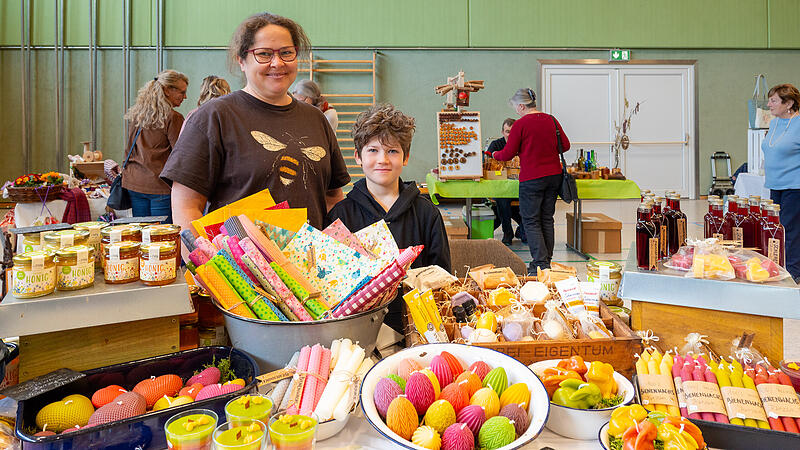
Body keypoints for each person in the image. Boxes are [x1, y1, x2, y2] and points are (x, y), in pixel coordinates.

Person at [161, 13, 350, 243]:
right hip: (239, 272)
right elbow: (186, 207)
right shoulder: (214, 117)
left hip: (309, 269)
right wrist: (210, 270)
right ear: (241, 60)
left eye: (286, 52)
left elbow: (333, 199)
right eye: (263, 54)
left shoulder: (316, 119)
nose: (277, 63)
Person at [328, 103, 451, 331]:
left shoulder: (427, 213)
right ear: (358, 156)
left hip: (416, 328)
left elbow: (442, 277)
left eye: (392, 151)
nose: (383, 159)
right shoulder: (340, 216)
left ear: (405, 158)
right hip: (356, 329)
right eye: (373, 150)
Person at [491, 88, 570, 275]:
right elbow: (565, 146)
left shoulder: (521, 124)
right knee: (546, 219)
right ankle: (546, 262)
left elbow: (507, 153)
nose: (516, 111)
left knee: (531, 221)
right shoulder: (551, 120)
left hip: (532, 178)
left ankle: (539, 265)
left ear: (521, 105)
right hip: (553, 177)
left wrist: (493, 153)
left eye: (515, 107)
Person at [121, 69, 188, 222]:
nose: (185, 97)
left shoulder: (138, 115)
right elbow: (180, 155)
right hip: (160, 186)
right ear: (167, 90)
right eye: (182, 92)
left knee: (143, 234)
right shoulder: (173, 118)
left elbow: (128, 148)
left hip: (134, 183)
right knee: (162, 237)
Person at [762, 83, 800, 282]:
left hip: (795, 187)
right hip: (775, 185)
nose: (768, 104)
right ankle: (779, 266)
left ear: (789, 103)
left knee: (790, 230)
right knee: (775, 229)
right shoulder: (775, 123)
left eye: (773, 100)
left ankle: (795, 272)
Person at [486, 118, 526, 245]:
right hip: (502, 188)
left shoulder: (525, 144)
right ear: (502, 132)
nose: (510, 134)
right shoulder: (496, 145)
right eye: (508, 131)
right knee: (502, 199)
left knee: (532, 200)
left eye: (513, 131)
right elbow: (488, 161)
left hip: (522, 187)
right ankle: (507, 232)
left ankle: (522, 230)